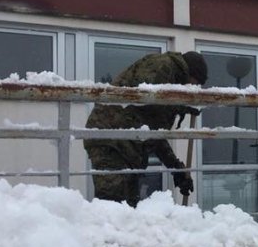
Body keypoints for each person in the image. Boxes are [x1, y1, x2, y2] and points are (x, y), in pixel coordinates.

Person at [84, 51, 207, 207]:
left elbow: (154, 134)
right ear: (190, 72)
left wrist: (177, 169)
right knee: (112, 205)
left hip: (127, 145)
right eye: (194, 82)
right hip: (110, 138)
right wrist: (178, 106)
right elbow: (150, 101)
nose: (191, 88)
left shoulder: (171, 78)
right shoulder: (163, 65)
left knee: (129, 206)